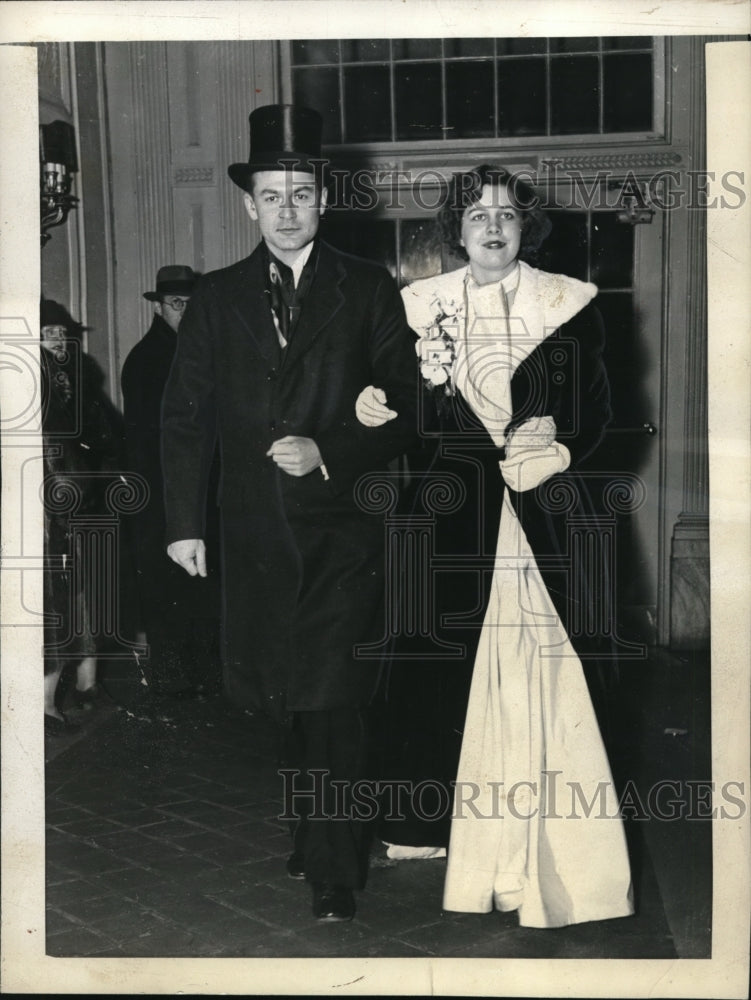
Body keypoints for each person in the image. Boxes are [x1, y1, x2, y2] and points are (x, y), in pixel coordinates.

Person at [356, 164, 634, 928]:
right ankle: (424, 825)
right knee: (431, 666)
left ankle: (553, 840)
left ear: (524, 228)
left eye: (506, 216)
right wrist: (373, 403)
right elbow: (401, 401)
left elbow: (597, 408)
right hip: (451, 511)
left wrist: (564, 450)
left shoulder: (567, 304)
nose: (490, 226)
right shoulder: (419, 305)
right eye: (475, 215)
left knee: (545, 666)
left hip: (540, 510)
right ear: (454, 229)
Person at [160, 104, 418, 922]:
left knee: (334, 700)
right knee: (289, 699)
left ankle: (334, 870)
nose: (286, 208)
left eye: (300, 193)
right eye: (271, 195)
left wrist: (333, 447)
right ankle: (314, 831)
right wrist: (183, 524)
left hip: (343, 531)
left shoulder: (369, 287)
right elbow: (183, 416)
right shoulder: (216, 297)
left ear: (323, 199)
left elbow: (410, 404)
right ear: (249, 204)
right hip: (256, 535)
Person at [121, 265, 222, 702]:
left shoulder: (193, 352)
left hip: (189, 491)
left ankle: (199, 676)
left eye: (192, 305)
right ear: (159, 307)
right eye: (178, 304)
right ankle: (171, 679)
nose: (186, 312)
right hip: (162, 493)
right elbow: (153, 439)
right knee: (168, 590)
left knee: (196, 588)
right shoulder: (149, 359)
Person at [40, 300, 122, 733]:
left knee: (89, 586)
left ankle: (88, 683)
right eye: (47, 332)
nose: (56, 339)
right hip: (49, 499)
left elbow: (103, 430)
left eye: (60, 332)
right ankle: (47, 698)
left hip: (84, 494)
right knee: (52, 595)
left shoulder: (78, 373)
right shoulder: (27, 377)